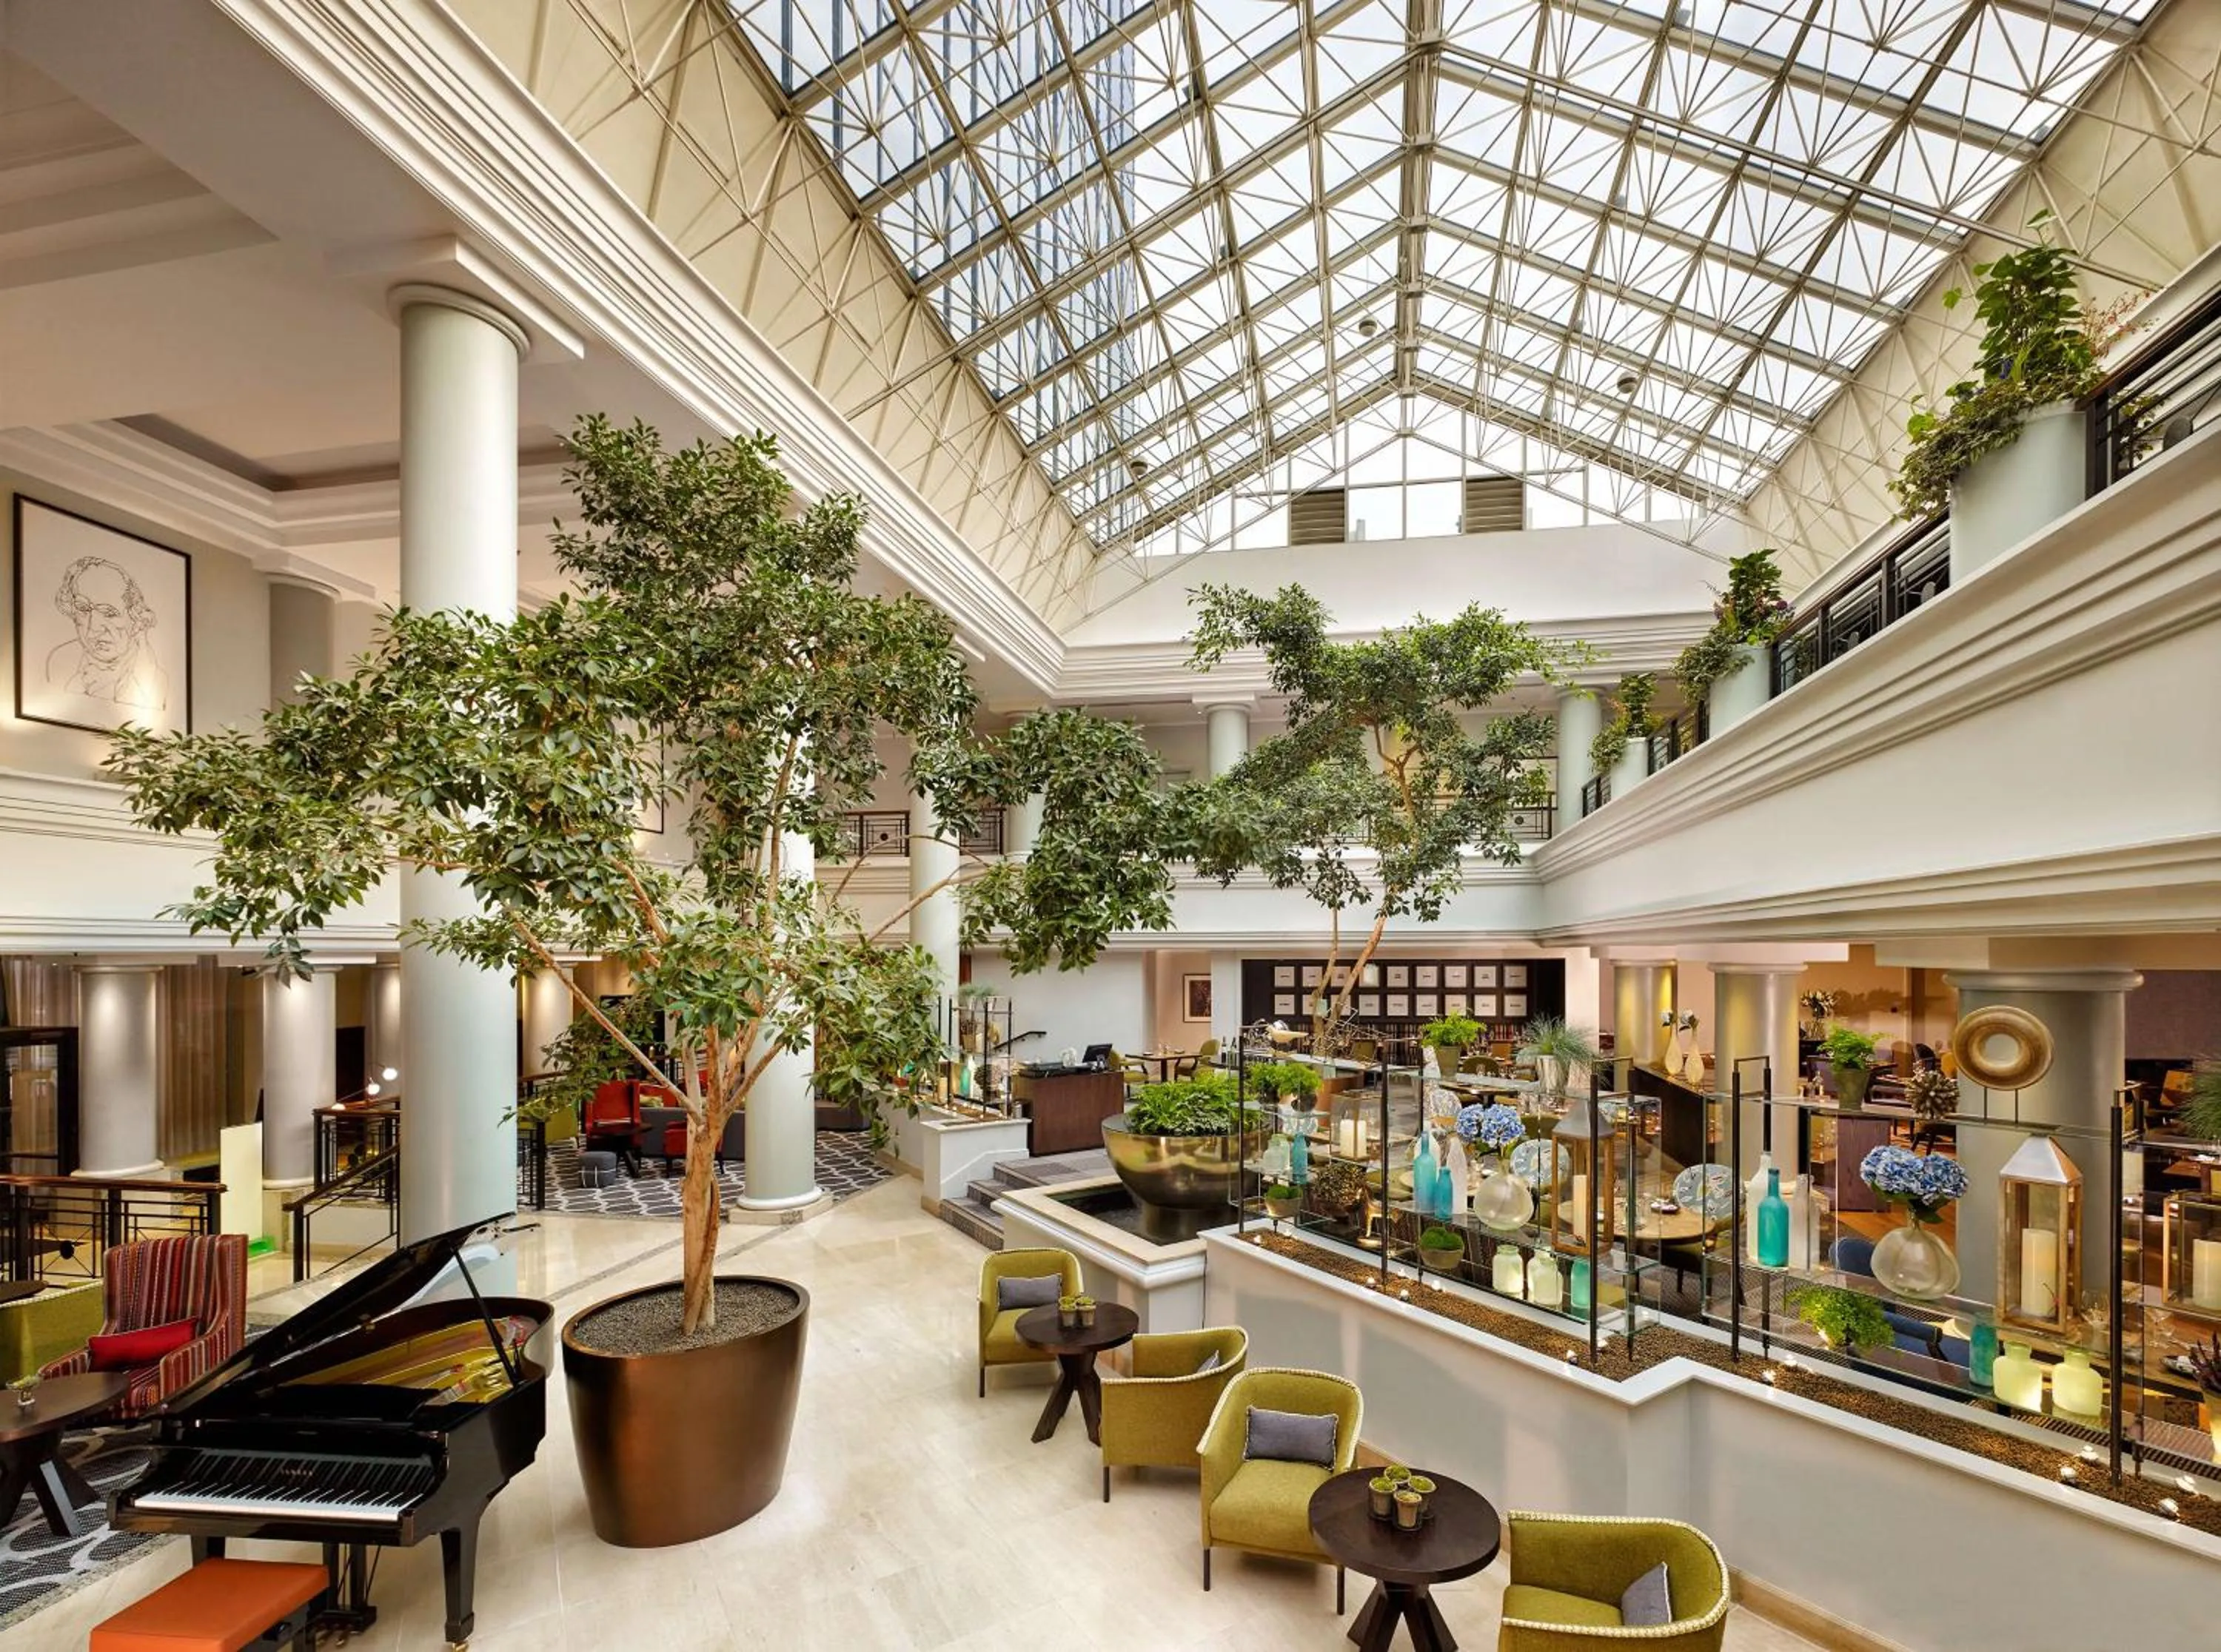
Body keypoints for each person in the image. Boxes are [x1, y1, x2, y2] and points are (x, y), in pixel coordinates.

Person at [47, 555, 167, 714]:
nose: (94, 627)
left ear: (135, 620)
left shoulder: (155, 680)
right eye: (83, 609)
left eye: (109, 612)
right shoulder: (58, 661)